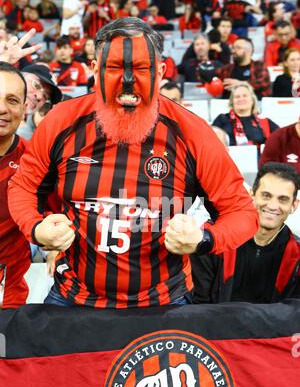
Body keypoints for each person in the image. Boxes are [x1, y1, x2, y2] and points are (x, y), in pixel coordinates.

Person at [8, 17, 258, 309]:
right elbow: (22, 188)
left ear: (161, 71)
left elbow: (242, 212)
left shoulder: (192, 132)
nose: (128, 83)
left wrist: (203, 239)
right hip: (73, 296)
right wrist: (37, 229)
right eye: (114, 68)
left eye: (141, 69)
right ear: (94, 69)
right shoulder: (61, 122)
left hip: (164, 301)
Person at [191, 162, 300, 303]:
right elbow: (198, 306)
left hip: (274, 326)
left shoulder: (297, 256)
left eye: (282, 199)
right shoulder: (214, 240)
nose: (273, 206)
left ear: (293, 205)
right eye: (266, 196)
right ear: (251, 195)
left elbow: (294, 314)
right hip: (216, 324)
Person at [0, 61, 31, 308]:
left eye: (11, 100)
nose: (2, 109)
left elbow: (58, 213)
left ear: (25, 108)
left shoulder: (33, 159)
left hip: (7, 297)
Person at [212, 82, 278, 153]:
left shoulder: (265, 121)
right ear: (232, 101)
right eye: (237, 97)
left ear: (252, 100)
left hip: (259, 161)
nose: (241, 99)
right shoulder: (222, 119)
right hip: (230, 160)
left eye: (245, 95)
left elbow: (282, 137)